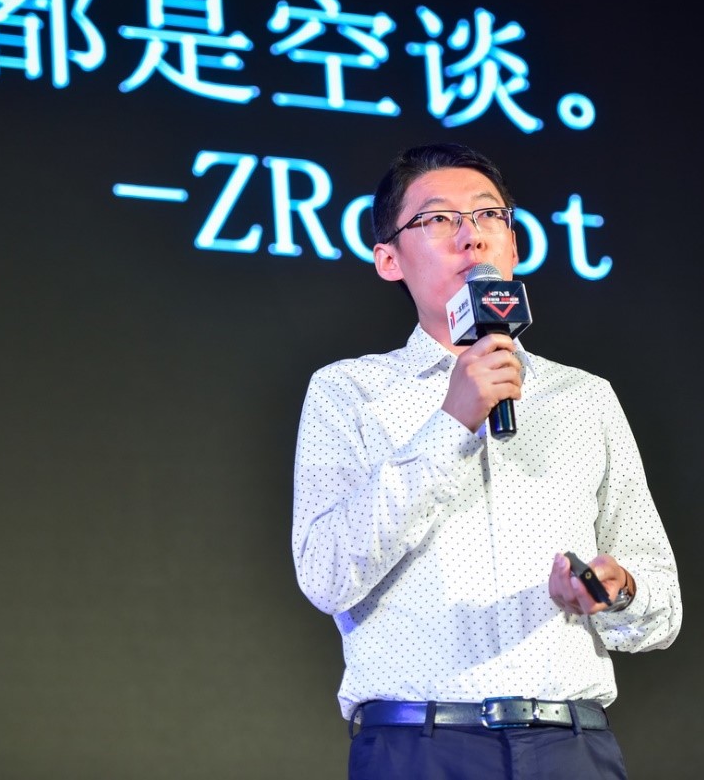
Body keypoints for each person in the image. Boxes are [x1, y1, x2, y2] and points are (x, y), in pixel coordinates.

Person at [292, 144, 682, 779]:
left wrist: (616, 590)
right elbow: (327, 573)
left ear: (513, 245)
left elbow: (661, 604)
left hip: (571, 745)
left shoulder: (583, 397)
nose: (470, 236)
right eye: (438, 219)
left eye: (488, 215)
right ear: (389, 260)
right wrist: (452, 420)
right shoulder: (349, 392)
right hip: (421, 746)